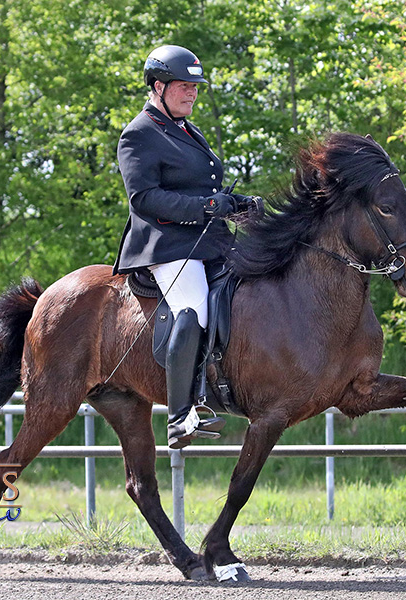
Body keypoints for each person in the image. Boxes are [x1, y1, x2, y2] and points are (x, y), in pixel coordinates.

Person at [113, 45, 253, 449]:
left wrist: (238, 206)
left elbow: (204, 188)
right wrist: (208, 207)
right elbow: (144, 198)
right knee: (192, 306)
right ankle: (179, 416)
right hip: (166, 245)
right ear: (158, 87)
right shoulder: (138, 133)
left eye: (195, 88)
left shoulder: (189, 130)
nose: (192, 94)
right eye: (183, 87)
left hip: (209, 242)